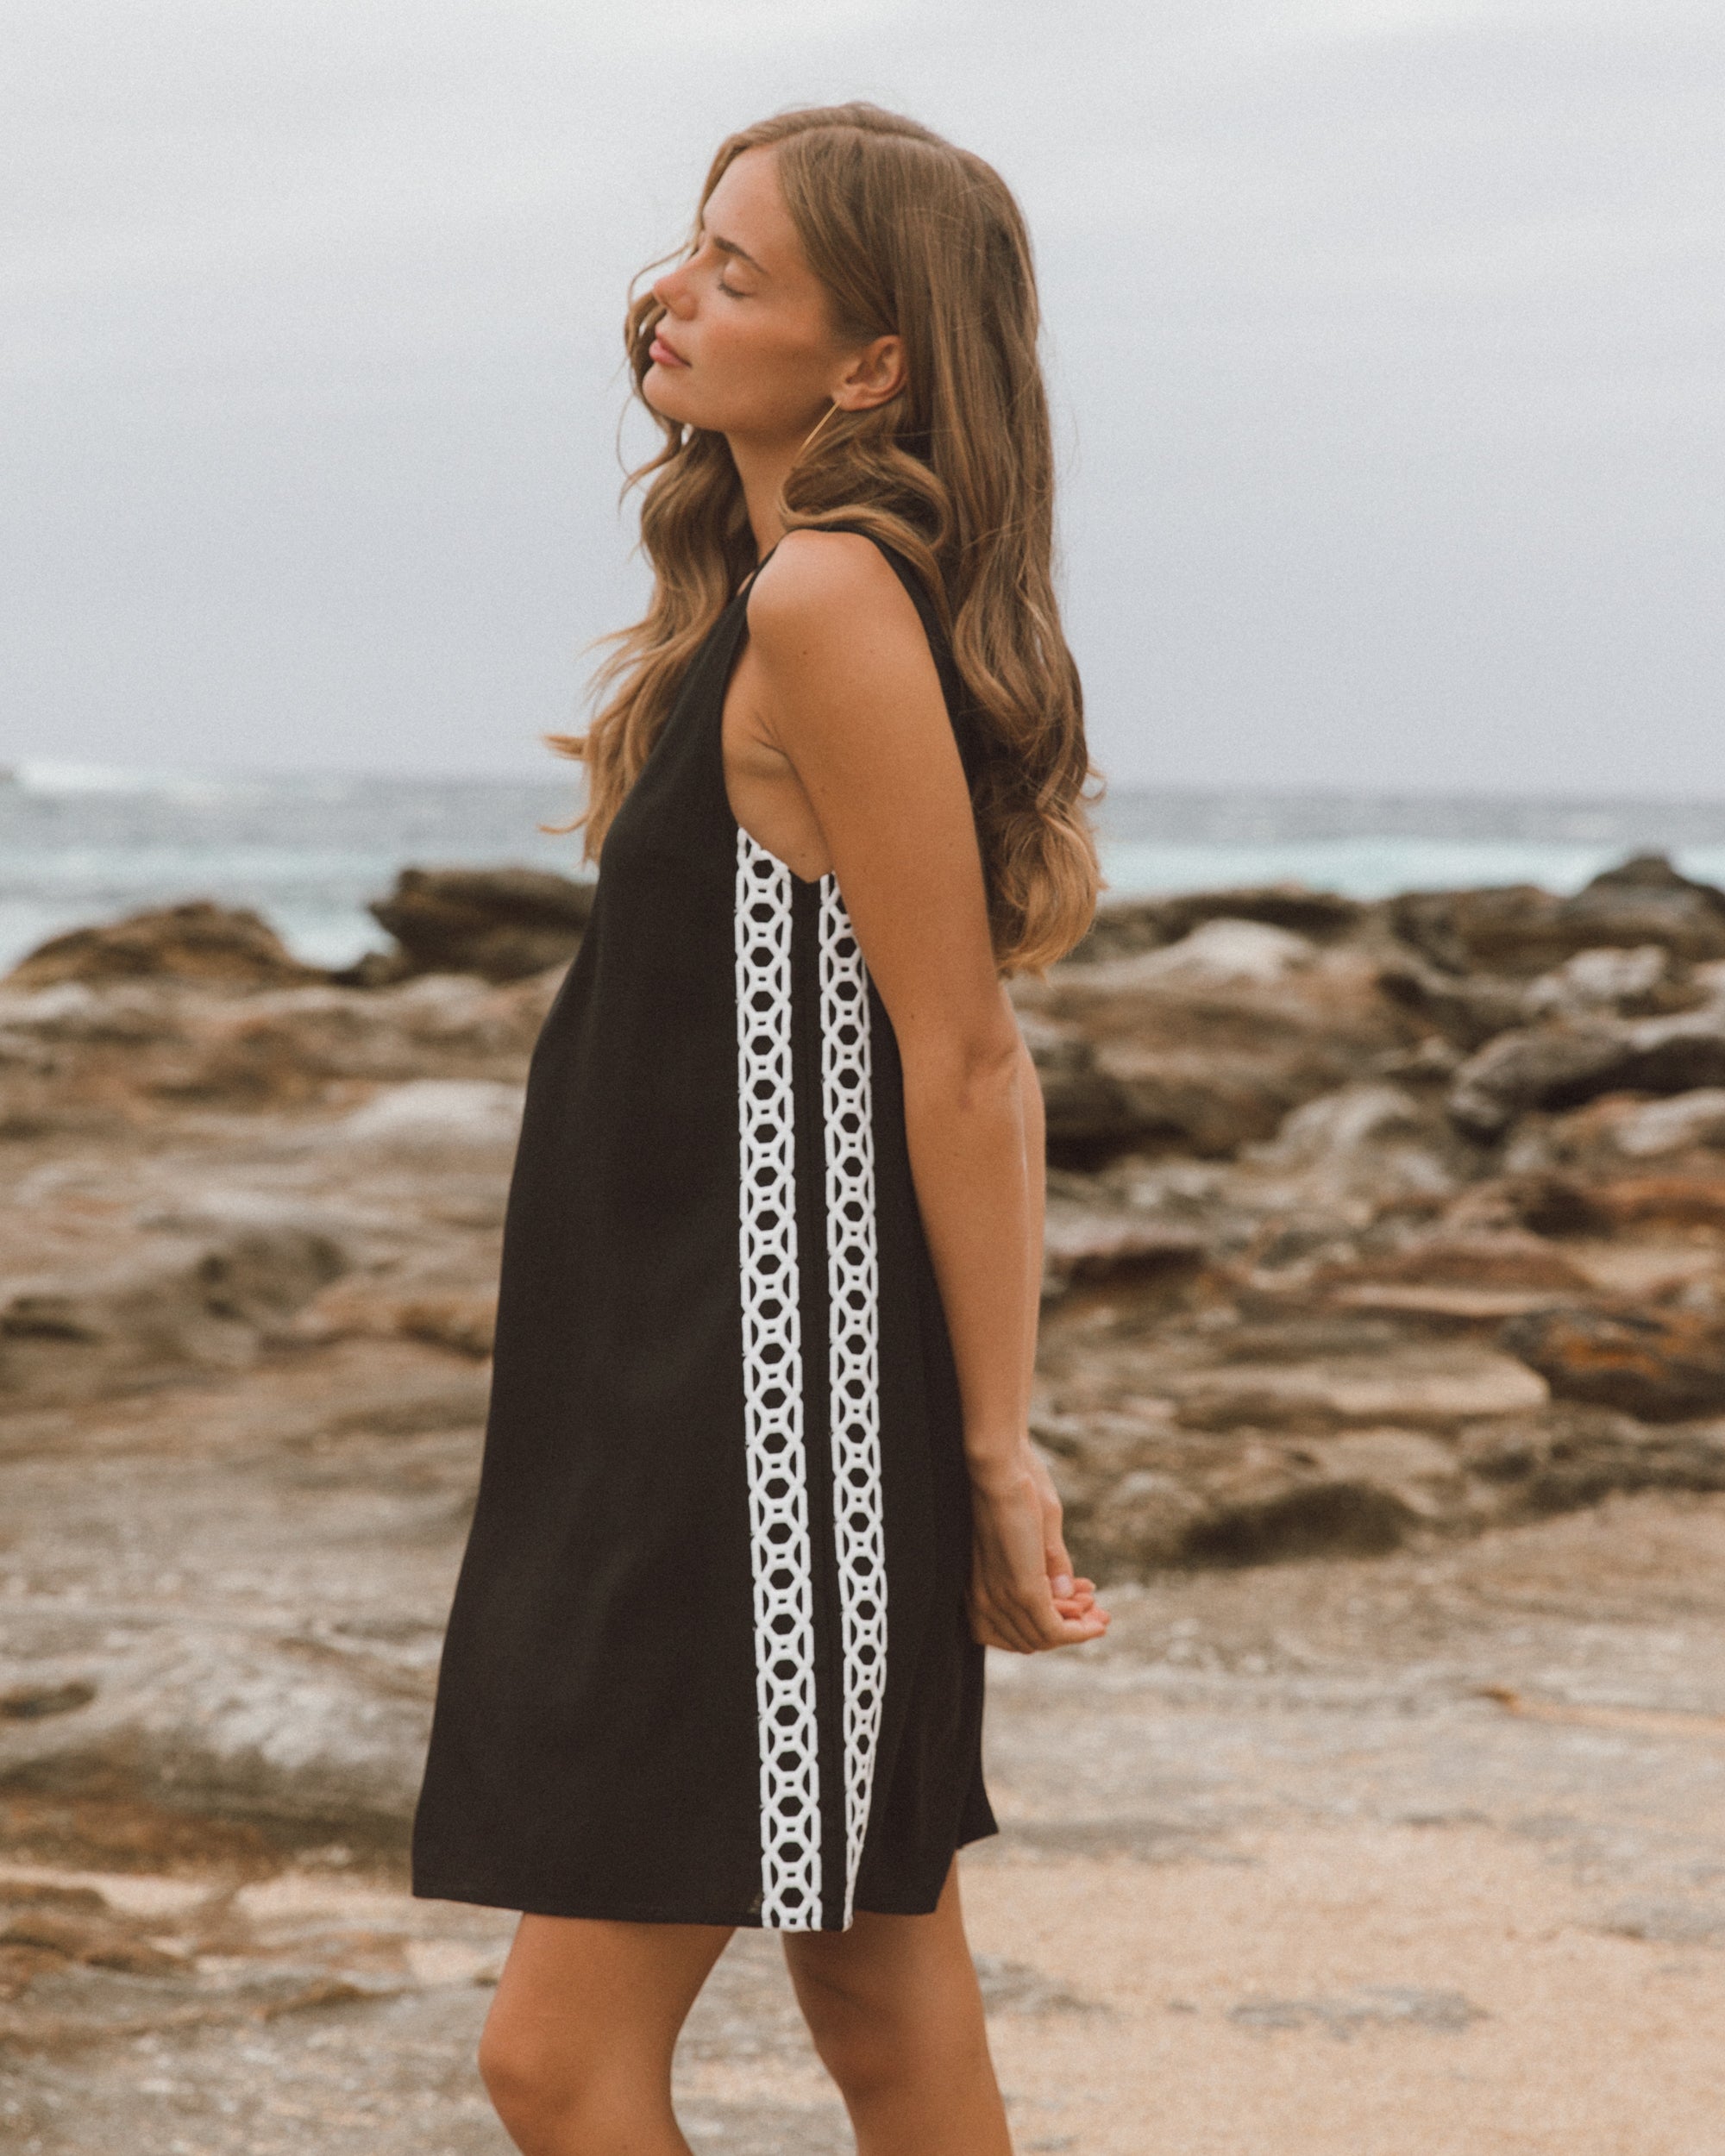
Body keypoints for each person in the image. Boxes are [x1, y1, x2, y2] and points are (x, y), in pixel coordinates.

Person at [411, 101, 1109, 2156]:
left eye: (740, 270)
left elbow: (964, 1053)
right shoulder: (778, 590)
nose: (674, 293)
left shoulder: (825, 603)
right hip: (691, 1397)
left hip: (770, 1420)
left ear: (874, 362)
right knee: (881, 2003)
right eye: (685, 248)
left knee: (557, 2054)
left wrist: (991, 1449)